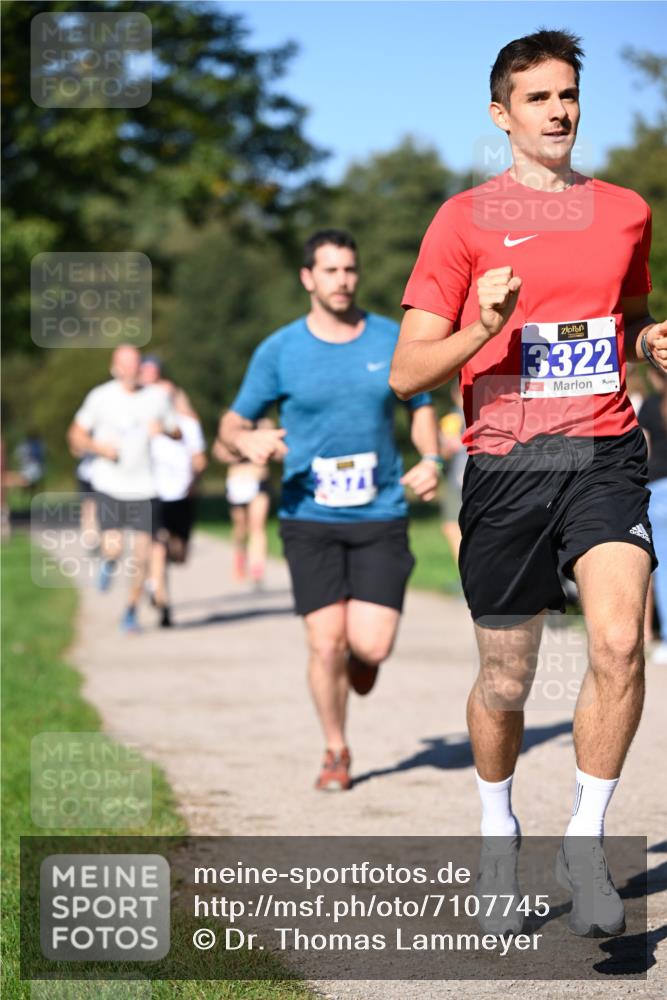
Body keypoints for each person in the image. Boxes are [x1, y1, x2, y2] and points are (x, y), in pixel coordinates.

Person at [391, 29, 666, 937]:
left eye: (567, 95)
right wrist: (485, 328)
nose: (558, 111)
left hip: (603, 454)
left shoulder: (626, 210)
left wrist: (646, 346)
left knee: (619, 643)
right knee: (506, 679)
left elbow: (615, 320)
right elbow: (405, 373)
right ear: (500, 114)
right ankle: (497, 832)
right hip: (508, 464)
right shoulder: (463, 220)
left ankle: (584, 839)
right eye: (537, 97)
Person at [220, 229, 440, 791]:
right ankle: (335, 750)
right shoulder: (280, 350)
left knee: (370, 646)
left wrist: (431, 458)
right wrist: (245, 444)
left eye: (350, 270)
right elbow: (231, 425)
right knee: (325, 642)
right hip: (308, 515)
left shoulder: (392, 338)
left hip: (380, 512)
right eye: (330, 271)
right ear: (307, 278)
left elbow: (420, 405)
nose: (342, 281)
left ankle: (361, 659)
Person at [67, 344, 180, 633]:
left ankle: (130, 611)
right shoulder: (101, 397)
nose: (131, 370)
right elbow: (76, 435)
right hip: (110, 483)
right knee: (114, 546)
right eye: (125, 365)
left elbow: (177, 430)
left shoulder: (157, 397)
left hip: (146, 486)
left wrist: (165, 430)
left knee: (142, 555)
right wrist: (98, 448)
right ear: (114, 368)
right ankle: (108, 561)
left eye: (136, 364)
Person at [147, 381, 208, 627]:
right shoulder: (145, 424)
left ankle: (157, 581)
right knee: (158, 543)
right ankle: (160, 596)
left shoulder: (189, 425)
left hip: (182, 495)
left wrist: (195, 479)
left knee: (179, 554)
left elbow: (200, 459)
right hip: (152, 492)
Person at [213, 420, 273, 586]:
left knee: (257, 526)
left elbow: (272, 448)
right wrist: (239, 450)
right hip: (237, 482)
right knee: (240, 527)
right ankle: (240, 558)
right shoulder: (231, 422)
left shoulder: (263, 424)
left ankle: (257, 569)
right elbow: (219, 452)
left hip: (258, 480)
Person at [639, 368, 667, 662]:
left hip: (658, 492)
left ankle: (659, 638)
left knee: (661, 573)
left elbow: (642, 449)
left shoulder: (649, 406)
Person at [438, 384, 466, 564]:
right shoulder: (451, 420)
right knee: (451, 527)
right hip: (455, 480)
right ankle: (465, 576)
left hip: (473, 480)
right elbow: (441, 452)